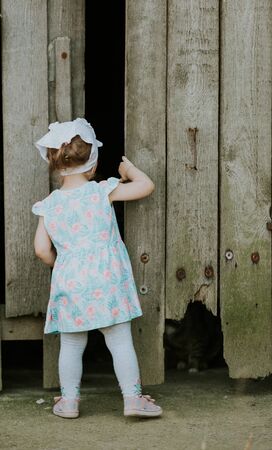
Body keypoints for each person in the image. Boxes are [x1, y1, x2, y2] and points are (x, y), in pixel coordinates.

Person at [32, 118, 162, 419]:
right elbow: (146, 186)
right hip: (107, 281)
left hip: (70, 282)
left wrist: (61, 265)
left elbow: (41, 250)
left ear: (55, 163)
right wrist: (129, 171)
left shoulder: (49, 205)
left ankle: (69, 402)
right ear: (92, 165)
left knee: (72, 344)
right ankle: (132, 399)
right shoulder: (102, 191)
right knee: (119, 340)